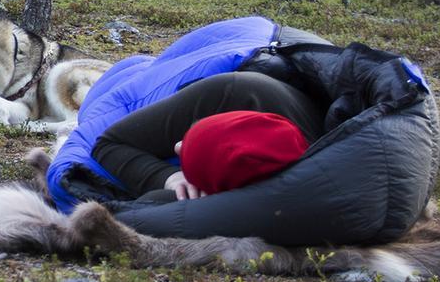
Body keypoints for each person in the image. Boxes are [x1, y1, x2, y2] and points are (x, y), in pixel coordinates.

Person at [90, 71, 325, 201]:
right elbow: (107, 143)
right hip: (225, 66)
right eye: (190, 136)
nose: (177, 146)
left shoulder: (312, 178)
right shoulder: (225, 93)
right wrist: (167, 176)